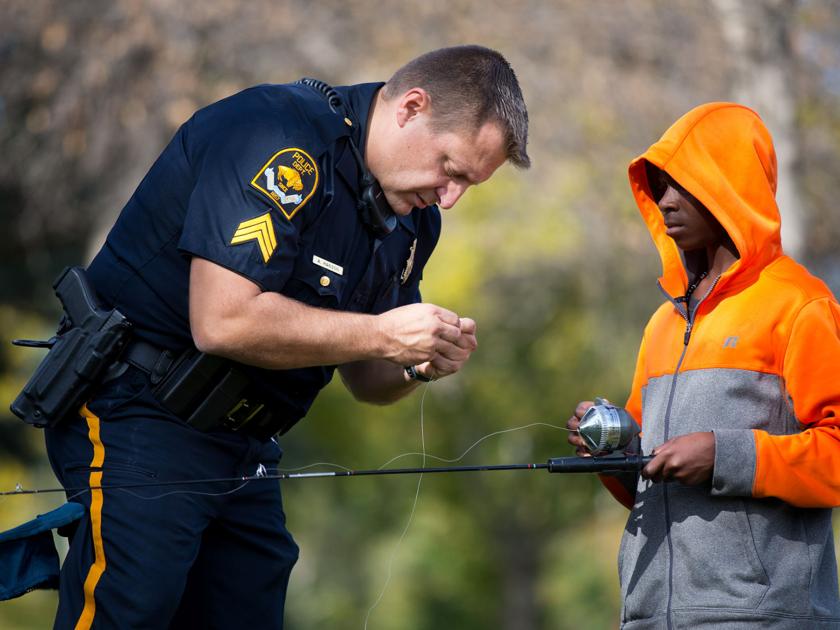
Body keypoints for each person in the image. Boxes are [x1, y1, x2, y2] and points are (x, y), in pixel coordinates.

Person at [41, 45, 530, 629]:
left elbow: (369, 379)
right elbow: (223, 321)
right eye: (450, 168)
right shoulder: (277, 135)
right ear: (411, 108)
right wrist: (380, 333)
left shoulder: (414, 220)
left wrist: (418, 360)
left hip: (245, 446)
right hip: (138, 411)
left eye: (468, 184)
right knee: (131, 609)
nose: (450, 197)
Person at [567, 102, 840, 628]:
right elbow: (646, 485)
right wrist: (613, 452)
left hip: (763, 619)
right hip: (649, 618)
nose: (665, 201)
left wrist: (726, 456)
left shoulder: (800, 305)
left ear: (730, 186)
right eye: (660, 185)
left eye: (682, 184)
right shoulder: (661, 325)